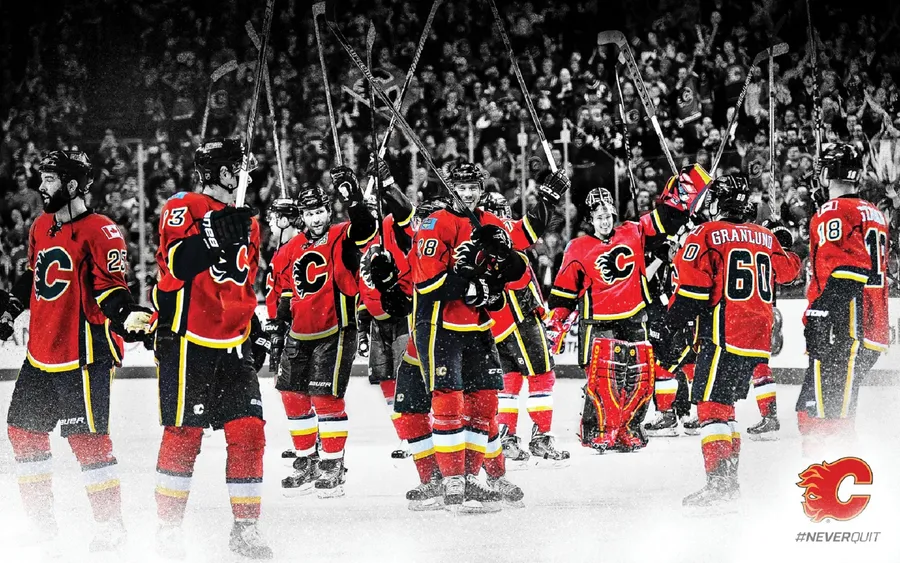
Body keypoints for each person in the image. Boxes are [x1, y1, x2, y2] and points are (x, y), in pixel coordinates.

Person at [1, 150, 153, 553]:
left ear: (71, 185)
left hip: (83, 354)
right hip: (41, 353)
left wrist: (125, 314)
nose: (41, 187)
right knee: (23, 433)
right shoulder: (41, 225)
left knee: (88, 441)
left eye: (49, 180)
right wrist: (11, 308)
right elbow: (33, 276)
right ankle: (42, 525)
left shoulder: (102, 230)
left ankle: (111, 527)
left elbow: (112, 288)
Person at [411, 161, 568, 511]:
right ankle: (452, 478)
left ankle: (473, 477)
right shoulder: (435, 224)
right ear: (451, 188)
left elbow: (523, 235)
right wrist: (476, 287)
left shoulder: (489, 221)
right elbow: (429, 283)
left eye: (473, 187)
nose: (467, 193)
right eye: (461, 187)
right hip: (440, 327)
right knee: (449, 404)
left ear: (481, 189)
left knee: (484, 405)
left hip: (479, 328)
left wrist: (547, 200)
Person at [152, 138, 272, 559]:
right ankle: (168, 530)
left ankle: (246, 529)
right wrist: (214, 233)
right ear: (224, 173)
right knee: (184, 435)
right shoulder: (183, 205)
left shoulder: (249, 222)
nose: (247, 176)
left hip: (234, 342)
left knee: (249, 431)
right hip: (189, 338)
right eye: (240, 169)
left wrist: (253, 324)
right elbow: (178, 265)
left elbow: (241, 283)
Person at [653, 174, 801, 508]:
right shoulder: (763, 235)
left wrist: (669, 326)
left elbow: (693, 291)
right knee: (726, 408)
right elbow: (790, 272)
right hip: (758, 338)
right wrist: (782, 239)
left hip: (725, 333)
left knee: (711, 407)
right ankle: (729, 482)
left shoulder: (706, 233)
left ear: (717, 202)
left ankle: (720, 485)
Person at [546, 166, 702, 453]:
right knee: (604, 381)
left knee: (638, 379)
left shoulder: (633, 231)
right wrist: (556, 323)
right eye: (599, 216)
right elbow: (564, 294)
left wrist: (686, 192)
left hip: (634, 317)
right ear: (590, 219)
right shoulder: (577, 247)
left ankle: (629, 429)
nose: (605, 221)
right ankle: (599, 430)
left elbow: (665, 217)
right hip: (598, 323)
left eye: (608, 215)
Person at [269, 167, 376, 498]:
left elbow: (366, 228)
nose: (315, 218)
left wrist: (353, 197)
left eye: (319, 212)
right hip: (299, 333)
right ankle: (306, 460)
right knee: (292, 395)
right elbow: (286, 290)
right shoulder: (292, 247)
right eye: (309, 213)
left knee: (325, 398)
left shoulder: (342, 234)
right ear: (301, 216)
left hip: (335, 330)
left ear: (328, 210)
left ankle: (332, 464)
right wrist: (278, 326)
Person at [798, 143, 890, 457]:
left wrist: (822, 312)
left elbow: (849, 268)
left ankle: (837, 472)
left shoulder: (833, 212)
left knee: (830, 412)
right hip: (873, 324)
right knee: (813, 405)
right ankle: (818, 467)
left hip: (845, 324)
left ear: (827, 173)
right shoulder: (874, 212)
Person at [480, 192, 569, 465]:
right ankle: (541, 437)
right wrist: (541, 313)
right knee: (542, 375)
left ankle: (506, 438)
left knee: (509, 379)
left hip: (495, 324)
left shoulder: (475, 241)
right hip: (519, 317)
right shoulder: (506, 235)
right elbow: (523, 280)